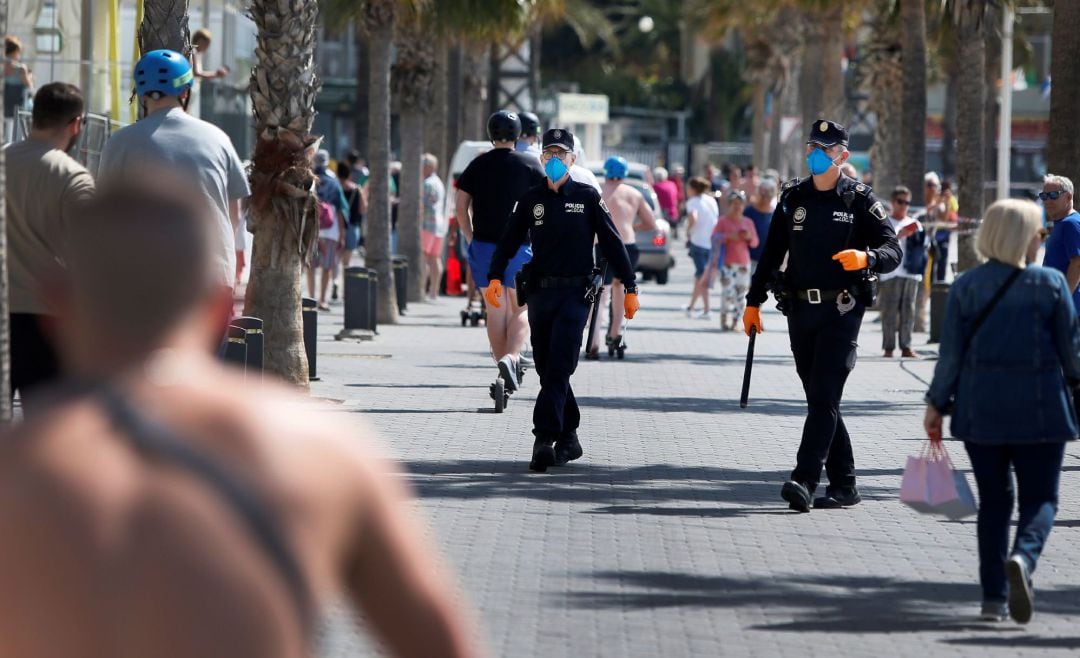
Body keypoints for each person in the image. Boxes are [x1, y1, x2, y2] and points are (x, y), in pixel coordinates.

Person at [0, 182, 479, 657]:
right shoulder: (318, 449)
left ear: (56, 307)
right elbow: (440, 641)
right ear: (219, 309)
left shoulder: (18, 470)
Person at [924, 198, 1080, 625]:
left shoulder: (967, 286)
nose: (1040, 237)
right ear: (1024, 237)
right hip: (1042, 408)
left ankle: (993, 597)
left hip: (981, 409)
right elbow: (1073, 357)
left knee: (994, 503)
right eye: (1037, 231)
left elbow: (950, 356)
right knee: (1041, 498)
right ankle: (1025, 558)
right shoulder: (1050, 285)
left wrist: (935, 404)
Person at [743, 119, 901, 513]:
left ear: (842, 156)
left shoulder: (859, 200)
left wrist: (868, 257)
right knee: (820, 398)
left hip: (842, 310)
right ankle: (845, 484)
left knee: (825, 394)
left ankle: (805, 478)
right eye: (812, 146)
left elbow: (893, 249)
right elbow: (772, 251)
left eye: (825, 148)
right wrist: (752, 300)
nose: (816, 154)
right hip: (800, 309)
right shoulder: (793, 197)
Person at [484, 128, 638, 472]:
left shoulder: (587, 197)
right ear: (542, 158)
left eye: (561, 154)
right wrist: (495, 276)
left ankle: (544, 438)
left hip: (577, 294)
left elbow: (613, 243)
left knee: (560, 365)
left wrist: (630, 287)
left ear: (573, 159)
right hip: (540, 293)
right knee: (545, 367)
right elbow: (508, 241)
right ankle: (570, 436)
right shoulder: (531, 200)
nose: (555, 160)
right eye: (549, 154)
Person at [98, 49, 250, 293]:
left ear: (140, 94)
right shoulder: (217, 139)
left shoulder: (120, 143)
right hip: (211, 280)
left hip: (142, 281)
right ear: (185, 91)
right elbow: (234, 212)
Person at [4, 83, 94, 413]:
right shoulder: (73, 178)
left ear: (33, 118)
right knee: (46, 432)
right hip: (47, 322)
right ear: (76, 124)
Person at [455, 110, 545, 390]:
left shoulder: (477, 165)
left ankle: (501, 369)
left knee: (494, 310)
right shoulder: (531, 165)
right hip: (519, 248)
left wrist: (469, 235)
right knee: (520, 310)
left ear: (490, 134)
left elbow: (460, 204)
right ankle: (512, 356)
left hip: (483, 247)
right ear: (518, 135)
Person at [586, 156, 657, 358]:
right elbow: (651, 223)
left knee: (600, 293)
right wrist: (631, 226)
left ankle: (593, 342)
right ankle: (615, 334)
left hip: (603, 245)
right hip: (628, 244)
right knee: (621, 289)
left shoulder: (597, 191)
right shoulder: (634, 193)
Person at [878, 185, 925, 358]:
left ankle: (906, 346)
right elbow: (881, 245)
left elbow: (923, 246)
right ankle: (888, 348)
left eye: (907, 202)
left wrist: (917, 236)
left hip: (911, 272)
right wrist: (900, 236)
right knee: (889, 310)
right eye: (900, 201)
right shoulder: (886, 222)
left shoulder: (915, 223)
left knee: (908, 310)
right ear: (892, 202)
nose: (904, 205)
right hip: (891, 272)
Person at [308, 149, 348, 310]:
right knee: (326, 267)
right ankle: (322, 299)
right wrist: (342, 234)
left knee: (310, 267)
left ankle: (311, 299)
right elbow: (341, 210)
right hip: (331, 231)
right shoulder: (334, 182)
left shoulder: (309, 181)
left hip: (311, 231)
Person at [715, 189, 758, 331]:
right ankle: (724, 318)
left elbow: (755, 242)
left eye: (740, 204)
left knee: (741, 295)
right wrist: (728, 236)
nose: (737, 207)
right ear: (729, 205)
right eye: (734, 204)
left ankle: (735, 320)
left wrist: (748, 237)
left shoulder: (748, 222)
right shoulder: (723, 221)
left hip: (743, 264)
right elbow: (714, 238)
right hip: (727, 263)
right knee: (727, 292)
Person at [1040, 174, 1080, 310]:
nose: (1047, 201)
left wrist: (1063, 300)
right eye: (1044, 196)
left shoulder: (1071, 223)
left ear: (1069, 197)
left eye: (1053, 195)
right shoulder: (1061, 223)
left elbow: (1078, 263)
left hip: (1070, 309)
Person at [684, 177, 720, 319]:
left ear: (692, 189)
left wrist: (688, 231)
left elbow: (693, 217)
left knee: (702, 276)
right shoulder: (710, 200)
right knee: (700, 275)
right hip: (711, 242)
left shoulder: (693, 202)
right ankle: (691, 306)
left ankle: (706, 309)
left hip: (698, 242)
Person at [914, 171, 944, 332]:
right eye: (931, 185)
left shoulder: (938, 204)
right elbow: (918, 216)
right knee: (915, 284)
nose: (934, 189)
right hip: (915, 250)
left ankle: (921, 320)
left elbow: (947, 219)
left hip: (929, 250)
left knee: (926, 286)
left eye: (936, 185)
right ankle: (916, 320)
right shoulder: (919, 202)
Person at [421, 153, 448, 301]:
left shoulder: (427, 184)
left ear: (429, 167)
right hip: (439, 225)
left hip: (428, 224)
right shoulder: (438, 182)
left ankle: (422, 289)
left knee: (425, 257)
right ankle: (434, 290)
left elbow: (424, 205)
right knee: (434, 258)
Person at [336, 160, 366, 271]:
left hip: (336, 226)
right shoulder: (357, 189)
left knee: (336, 256)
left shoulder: (335, 188)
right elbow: (363, 209)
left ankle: (335, 279)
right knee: (347, 258)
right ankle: (345, 277)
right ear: (349, 174)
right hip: (352, 225)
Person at [2, 36, 32, 138]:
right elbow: (30, 87)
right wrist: (30, 77)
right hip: (17, 110)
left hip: (3, 108)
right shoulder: (20, 69)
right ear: (15, 51)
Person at [745, 177, 777, 273]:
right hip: (748, 260)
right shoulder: (749, 212)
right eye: (764, 194)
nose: (766, 197)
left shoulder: (775, 214)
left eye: (769, 194)